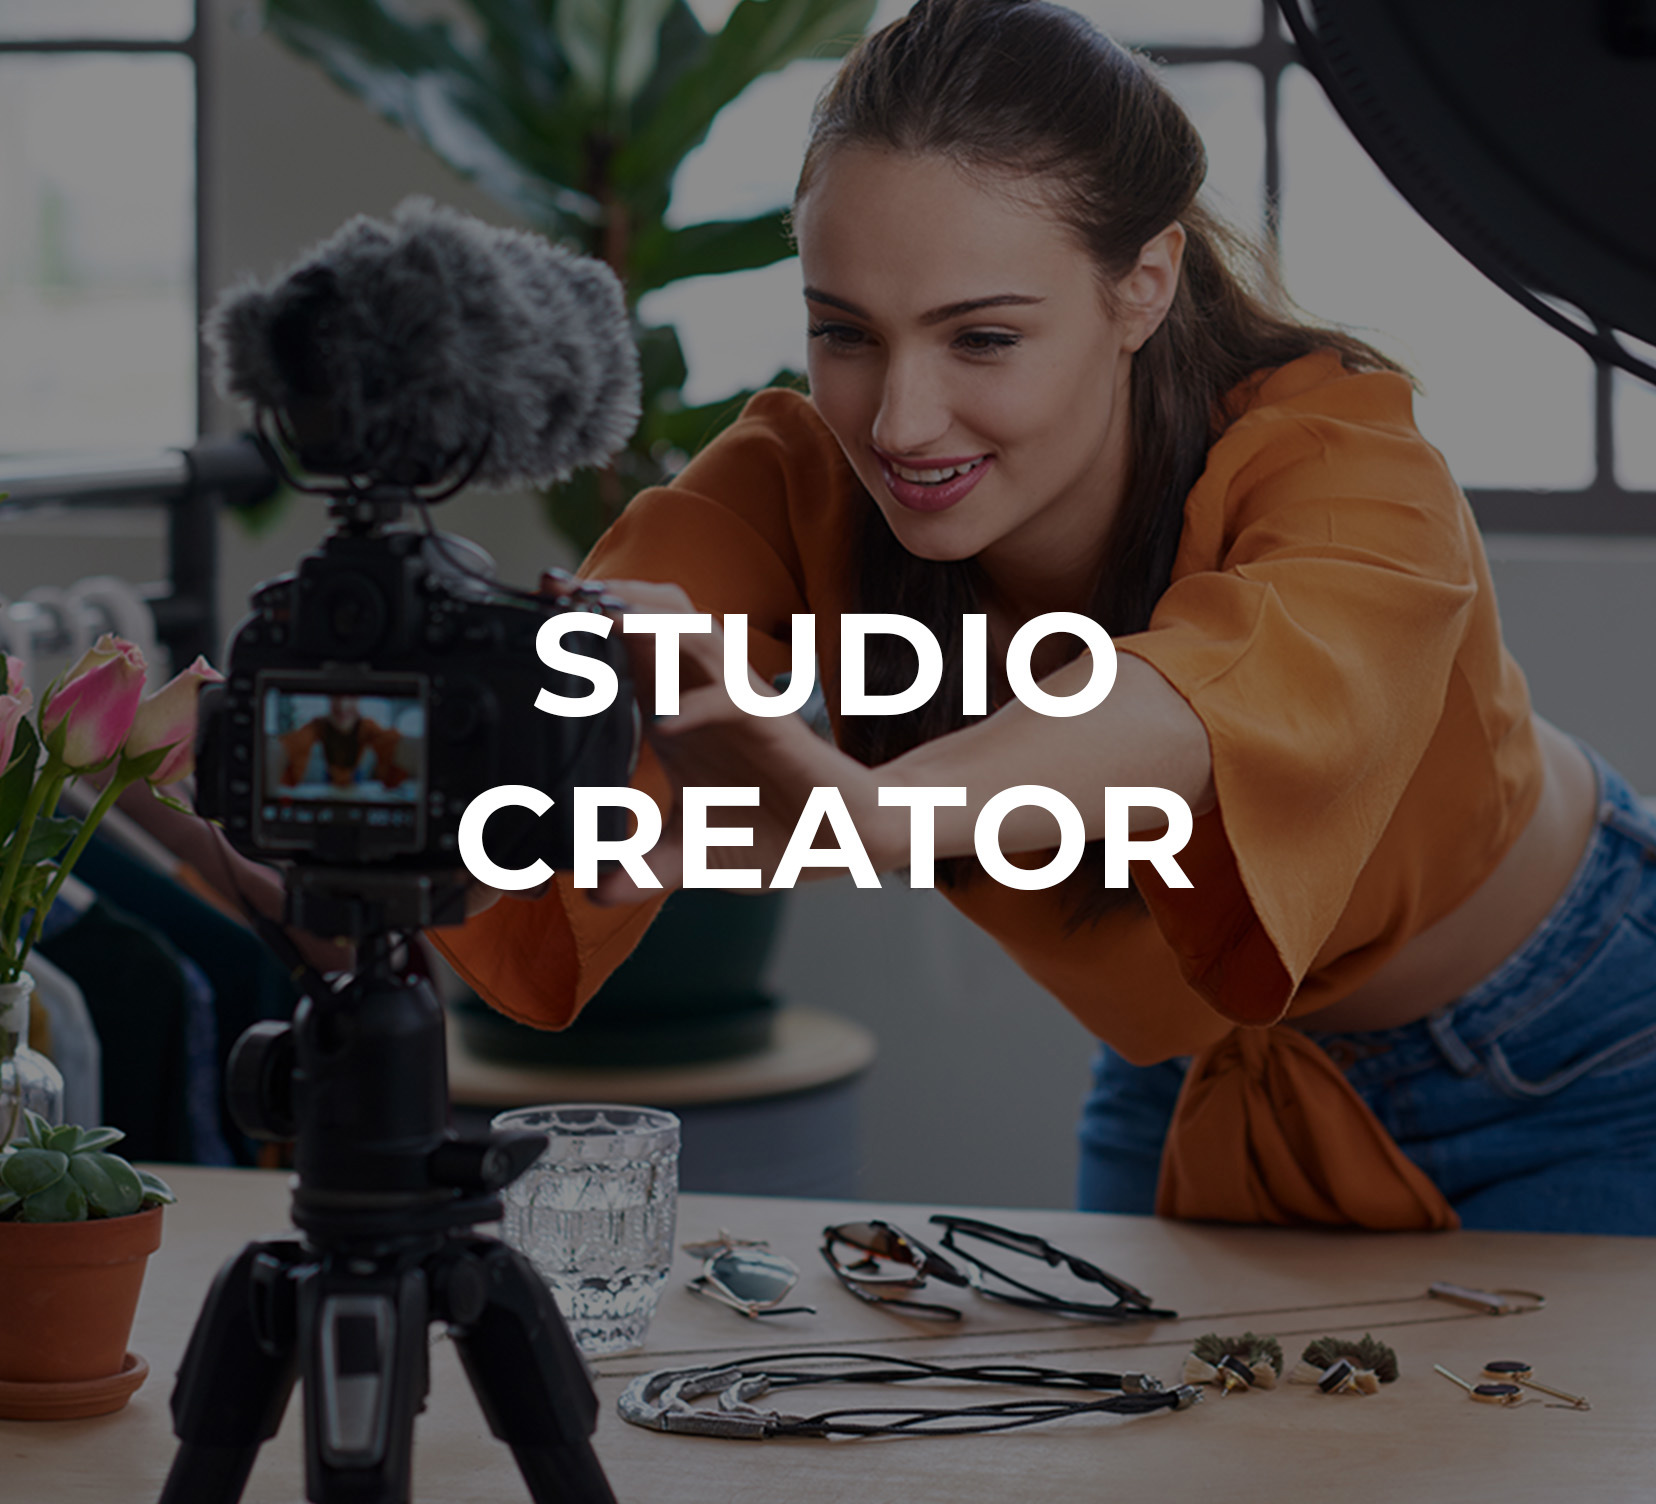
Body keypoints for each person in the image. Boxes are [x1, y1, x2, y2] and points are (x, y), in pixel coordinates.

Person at [435, 0, 1656, 1235]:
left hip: (1572, 1046)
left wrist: (870, 813)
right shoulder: (792, 484)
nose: (900, 422)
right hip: (1197, 1064)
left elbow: (1199, 703)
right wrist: (371, 811)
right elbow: (551, 721)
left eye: (983, 338)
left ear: (1144, 285)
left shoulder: (1350, 465)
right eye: (845, 333)